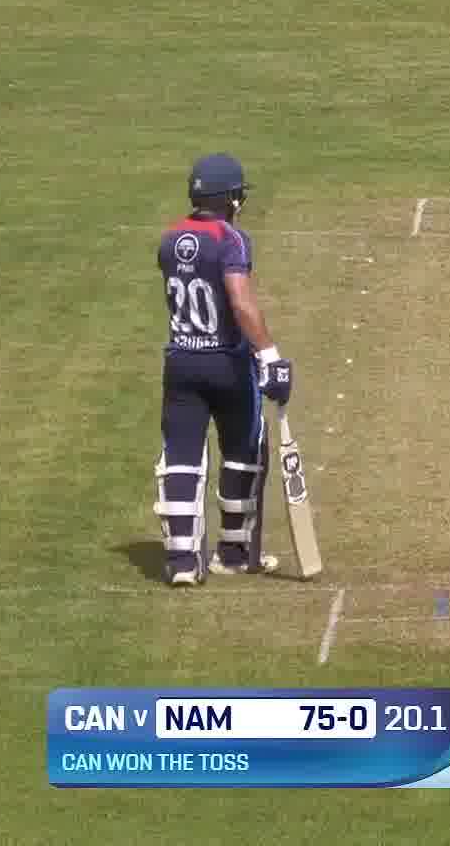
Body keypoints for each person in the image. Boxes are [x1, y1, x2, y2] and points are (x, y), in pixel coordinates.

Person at [153, 153, 295, 586]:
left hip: (181, 362)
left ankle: (182, 562)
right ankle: (233, 553)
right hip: (227, 364)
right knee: (244, 450)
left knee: (181, 456)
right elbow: (239, 300)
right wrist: (270, 356)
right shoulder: (231, 239)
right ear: (231, 198)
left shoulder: (169, 238)